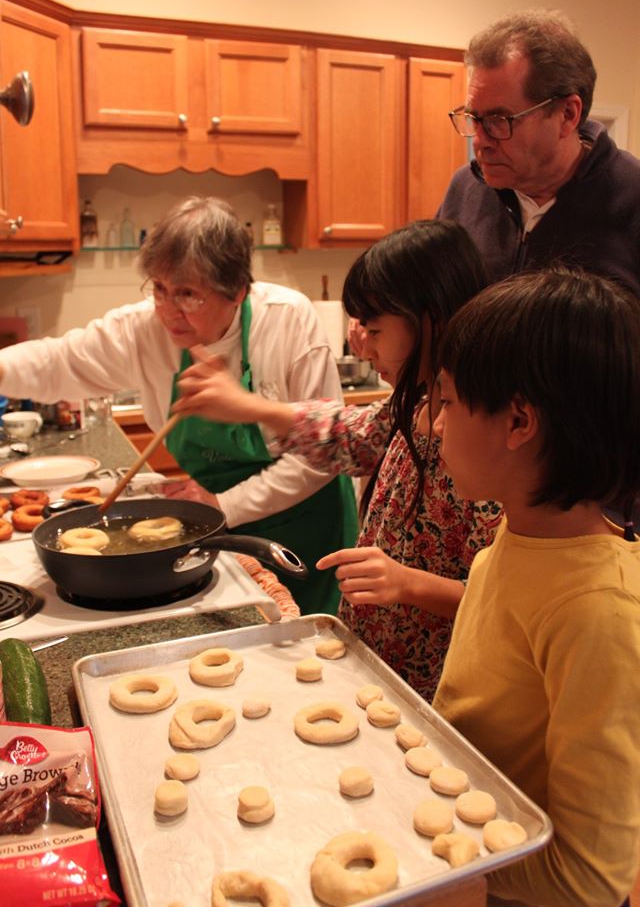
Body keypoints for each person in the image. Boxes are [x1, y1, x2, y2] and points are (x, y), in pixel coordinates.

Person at [173, 219, 502, 701]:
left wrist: (408, 583)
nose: (362, 345)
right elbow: (350, 436)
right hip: (378, 667)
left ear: (431, 320)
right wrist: (247, 406)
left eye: (374, 329)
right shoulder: (413, 403)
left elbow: (503, 604)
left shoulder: (484, 441)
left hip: (439, 690)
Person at [0, 196, 358, 615]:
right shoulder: (142, 329)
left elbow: (319, 457)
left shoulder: (288, 320)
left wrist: (225, 505)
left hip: (303, 525)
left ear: (238, 291)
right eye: (159, 289)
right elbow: (59, 361)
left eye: (187, 294)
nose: (168, 312)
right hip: (212, 526)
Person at [431, 267, 640, 907]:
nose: (435, 427)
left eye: (445, 402)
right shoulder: (515, 535)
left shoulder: (596, 611)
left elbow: (591, 878)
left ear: (518, 421)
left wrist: (433, 861)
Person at [437, 8, 640, 296]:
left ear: (567, 114)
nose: (480, 141)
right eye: (473, 118)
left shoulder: (632, 198)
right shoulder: (464, 190)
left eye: (498, 121)